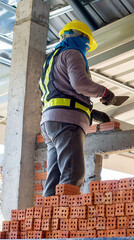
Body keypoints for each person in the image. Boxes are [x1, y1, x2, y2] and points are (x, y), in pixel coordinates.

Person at [39, 20, 116, 196]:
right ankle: (64, 221)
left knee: (54, 179)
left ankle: (46, 220)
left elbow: (62, 92)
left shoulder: (53, 59)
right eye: (87, 44)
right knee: (73, 175)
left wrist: (90, 112)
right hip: (67, 123)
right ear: (81, 37)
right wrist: (104, 93)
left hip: (51, 122)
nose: (86, 49)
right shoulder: (72, 53)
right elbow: (80, 84)